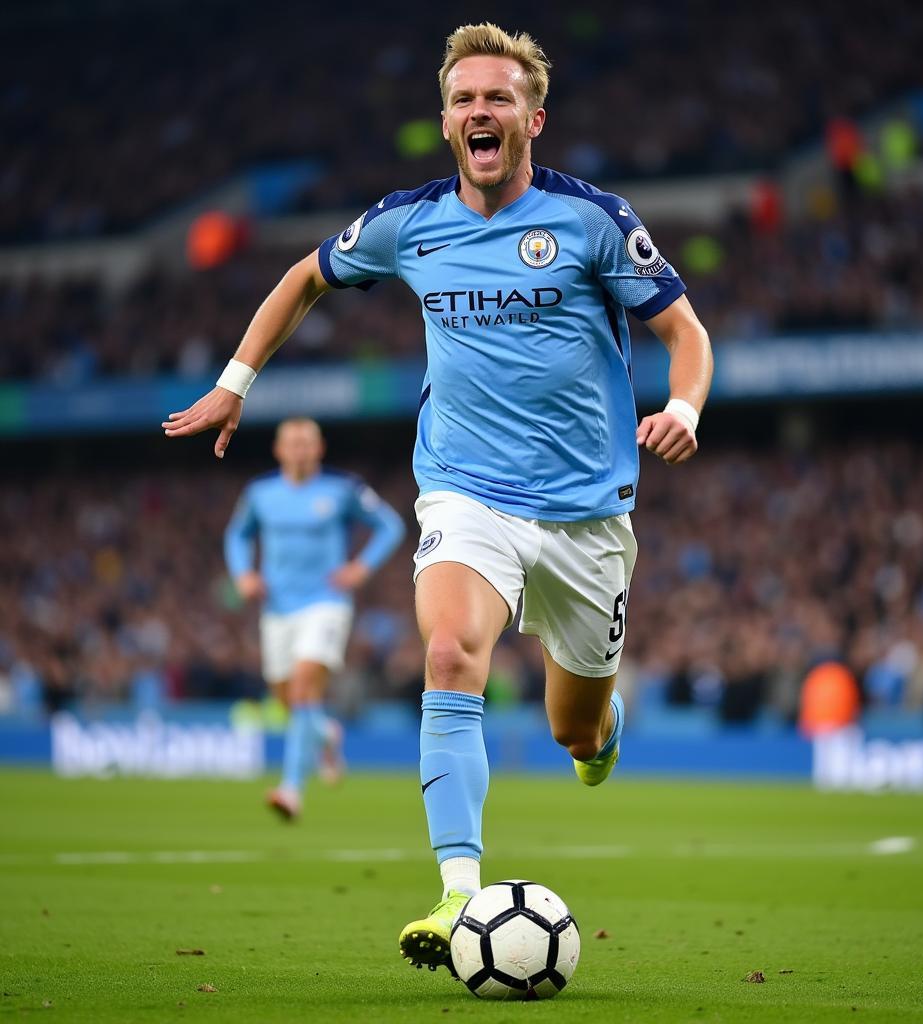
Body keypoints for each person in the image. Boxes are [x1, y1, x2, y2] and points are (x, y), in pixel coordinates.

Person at [164, 22, 712, 972]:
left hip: (588, 515)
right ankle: (460, 893)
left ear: (533, 118)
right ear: (447, 122)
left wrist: (687, 405)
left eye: (497, 98)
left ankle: (601, 726)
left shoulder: (591, 220)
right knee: (450, 651)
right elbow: (305, 277)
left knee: (572, 727)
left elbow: (686, 332)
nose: (480, 112)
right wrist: (235, 382)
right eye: (464, 100)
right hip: (466, 494)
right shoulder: (408, 222)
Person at [224, 417, 405, 819]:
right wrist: (243, 573)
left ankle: (291, 788)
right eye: (293, 443)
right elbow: (237, 535)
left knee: (306, 687)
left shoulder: (344, 489)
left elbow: (390, 525)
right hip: (276, 608)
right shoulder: (260, 494)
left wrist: (362, 567)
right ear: (279, 449)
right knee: (287, 698)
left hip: (326, 603)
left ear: (320, 448)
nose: (301, 450)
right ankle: (325, 733)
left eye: (308, 443)